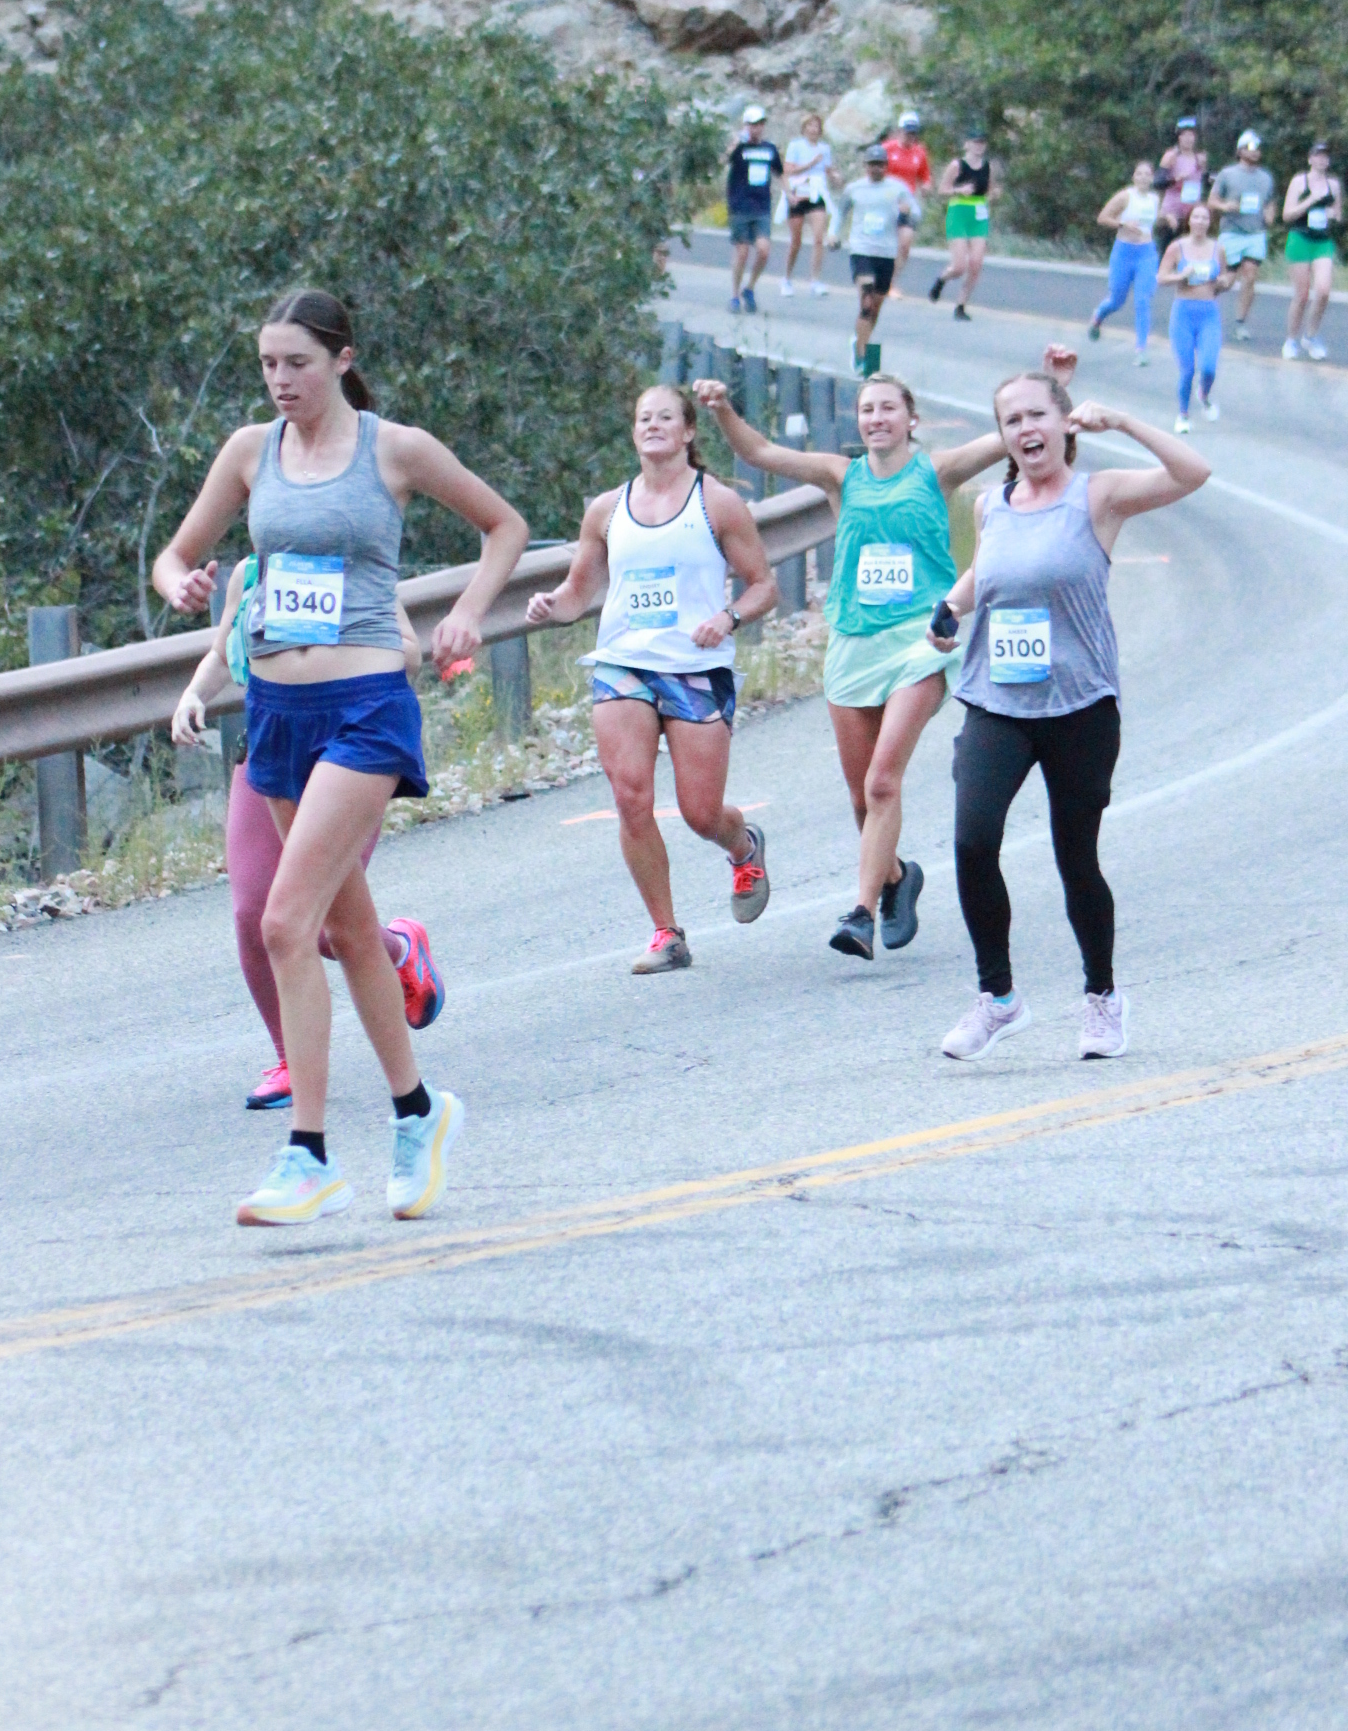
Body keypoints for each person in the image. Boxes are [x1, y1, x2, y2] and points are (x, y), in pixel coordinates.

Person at [152, 288, 528, 1226]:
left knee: (286, 923)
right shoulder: (250, 451)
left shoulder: (394, 448)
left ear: (342, 361)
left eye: (298, 364)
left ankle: (308, 1155)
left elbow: (505, 527)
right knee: (351, 934)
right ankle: (419, 1114)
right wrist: (182, 583)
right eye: (268, 364)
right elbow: (175, 556)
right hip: (277, 712)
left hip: (366, 708)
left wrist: (468, 613)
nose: (280, 381)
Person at [693, 357, 1077, 958]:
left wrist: (1057, 387)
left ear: (910, 419)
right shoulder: (840, 476)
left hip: (919, 642)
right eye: (868, 409)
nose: (877, 418)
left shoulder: (936, 470)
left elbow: (1014, 431)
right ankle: (897, 878)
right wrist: (722, 410)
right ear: (859, 421)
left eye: (889, 408)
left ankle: (861, 913)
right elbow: (761, 452)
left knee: (881, 782)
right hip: (853, 642)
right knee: (861, 799)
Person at [927, 370, 1208, 1062]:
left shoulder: (1098, 496)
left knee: (1075, 856)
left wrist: (1124, 422)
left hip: (1080, 704)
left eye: (1037, 416)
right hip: (997, 699)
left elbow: (1193, 472)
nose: (1026, 430)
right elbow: (992, 570)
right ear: (1003, 436)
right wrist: (952, 607)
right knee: (972, 840)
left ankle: (1102, 997)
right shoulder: (991, 505)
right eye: (1012, 421)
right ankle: (998, 997)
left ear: (1063, 423)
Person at [171, 562, 443, 1113]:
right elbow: (222, 652)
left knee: (321, 924)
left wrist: (337, 652)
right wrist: (194, 695)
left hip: (347, 751)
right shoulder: (248, 575)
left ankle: (398, 949)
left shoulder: (347, 560)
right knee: (254, 913)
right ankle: (289, 1058)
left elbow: (411, 653)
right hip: (269, 746)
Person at [525, 384, 777, 973]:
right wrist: (551, 605)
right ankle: (667, 933)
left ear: (688, 431)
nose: (654, 426)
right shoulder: (606, 509)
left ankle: (743, 846)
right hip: (623, 662)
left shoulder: (717, 503)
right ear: (634, 432)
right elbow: (579, 591)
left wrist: (728, 618)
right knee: (631, 796)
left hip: (694, 667)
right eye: (644, 418)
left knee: (700, 813)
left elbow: (764, 585)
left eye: (666, 417)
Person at [833, 142, 918, 370]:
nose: (876, 169)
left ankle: (860, 340)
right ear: (865, 166)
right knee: (867, 300)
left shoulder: (897, 188)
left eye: (880, 164)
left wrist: (907, 213)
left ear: (886, 166)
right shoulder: (855, 189)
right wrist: (833, 234)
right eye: (872, 164)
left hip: (886, 252)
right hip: (861, 249)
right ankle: (861, 356)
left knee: (876, 306)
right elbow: (840, 213)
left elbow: (916, 212)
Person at [1157, 204, 1232, 432]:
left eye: (1204, 218)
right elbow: (1161, 277)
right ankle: (1183, 414)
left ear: (1210, 223)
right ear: (1189, 221)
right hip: (1183, 313)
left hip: (1208, 313)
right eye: (1196, 217)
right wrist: (1181, 276)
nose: (1200, 222)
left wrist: (1224, 282)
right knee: (1187, 369)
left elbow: (1225, 277)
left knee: (1208, 368)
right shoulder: (1177, 247)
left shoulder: (1217, 249)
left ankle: (1204, 395)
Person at [1086, 160, 1160, 365]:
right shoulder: (1125, 196)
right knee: (1117, 300)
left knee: (1142, 300)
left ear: (1152, 178)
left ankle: (1141, 350)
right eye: (1139, 174)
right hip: (1124, 253)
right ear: (1134, 177)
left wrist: (1168, 218)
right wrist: (1122, 224)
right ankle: (1099, 315)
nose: (1143, 178)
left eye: (1147, 174)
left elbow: (1153, 221)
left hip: (1146, 253)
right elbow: (1102, 218)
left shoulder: (1154, 199)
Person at [1209, 131, 1274, 341]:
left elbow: (1270, 201)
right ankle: (1203, 303)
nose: (1254, 152)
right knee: (1227, 281)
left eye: (1257, 149)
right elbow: (1212, 201)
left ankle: (1241, 322)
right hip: (1232, 232)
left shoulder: (1265, 177)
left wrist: (1270, 215)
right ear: (1240, 151)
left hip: (1255, 233)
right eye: (1250, 148)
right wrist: (1225, 206)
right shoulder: (1227, 174)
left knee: (1250, 276)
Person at [1281, 141, 1344, 360]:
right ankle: (1291, 339)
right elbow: (1287, 214)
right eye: (1317, 155)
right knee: (1302, 294)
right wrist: (1310, 201)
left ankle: (1311, 335)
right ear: (1310, 159)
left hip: (1322, 240)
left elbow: (1338, 214)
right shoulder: (1299, 181)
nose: (1321, 160)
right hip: (1300, 238)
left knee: (1324, 291)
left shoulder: (1333, 185)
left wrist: (1332, 214)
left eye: (1325, 156)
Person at [928, 131, 998, 319]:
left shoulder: (988, 167)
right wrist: (959, 190)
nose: (979, 146)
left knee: (976, 263)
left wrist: (993, 195)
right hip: (958, 213)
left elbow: (990, 190)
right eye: (975, 142)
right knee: (959, 266)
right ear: (967, 144)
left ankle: (961, 305)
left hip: (978, 216)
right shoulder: (956, 165)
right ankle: (942, 279)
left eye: (982, 143)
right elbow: (942, 190)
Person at [725, 105, 782, 315]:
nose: (756, 128)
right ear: (746, 126)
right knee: (742, 252)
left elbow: (779, 171)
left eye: (759, 124)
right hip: (740, 205)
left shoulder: (769, 149)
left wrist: (789, 194)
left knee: (764, 250)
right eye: (752, 125)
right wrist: (736, 143)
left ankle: (749, 287)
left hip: (761, 205)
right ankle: (734, 294)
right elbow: (725, 159)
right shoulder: (740, 148)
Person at [780, 110, 832, 298]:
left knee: (818, 237)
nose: (813, 129)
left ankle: (815, 280)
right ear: (804, 128)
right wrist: (810, 164)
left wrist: (835, 176)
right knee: (796, 240)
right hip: (798, 190)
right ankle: (787, 278)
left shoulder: (824, 149)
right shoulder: (796, 146)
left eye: (816, 126)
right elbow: (788, 170)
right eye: (810, 126)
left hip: (816, 191)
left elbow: (827, 169)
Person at [883, 109, 932, 297]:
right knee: (884, 242)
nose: (910, 136)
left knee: (904, 244)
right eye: (906, 131)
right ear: (899, 130)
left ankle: (890, 282)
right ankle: (877, 276)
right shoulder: (887, 149)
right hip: (887, 200)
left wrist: (926, 186)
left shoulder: (919, 152)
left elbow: (925, 175)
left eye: (913, 133)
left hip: (907, 201)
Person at [1155, 115, 1209, 252]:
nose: (1188, 139)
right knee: (1168, 249)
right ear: (1179, 137)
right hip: (1172, 212)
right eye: (1184, 135)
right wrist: (1176, 179)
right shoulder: (1171, 156)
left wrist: (1207, 175)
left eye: (1191, 135)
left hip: (1191, 212)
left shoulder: (1199, 158)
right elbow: (1157, 183)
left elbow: (1204, 183)